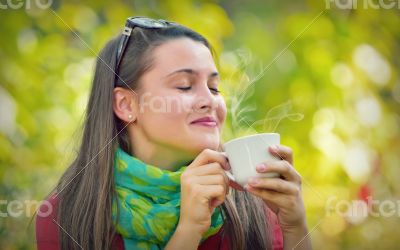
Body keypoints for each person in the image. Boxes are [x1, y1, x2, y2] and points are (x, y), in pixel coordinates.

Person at [35, 16, 311, 250]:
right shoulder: (67, 216)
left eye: (214, 88)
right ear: (126, 104)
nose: (209, 101)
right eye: (183, 85)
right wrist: (189, 230)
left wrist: (295, 226)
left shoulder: (251, 203)